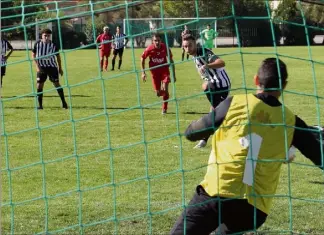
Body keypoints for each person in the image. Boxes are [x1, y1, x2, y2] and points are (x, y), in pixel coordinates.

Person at [170, 58, 324, 235]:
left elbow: (192, 133)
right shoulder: (291, 122)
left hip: (218, 192)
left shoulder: (233, 103)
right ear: (285, 85)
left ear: (256, 80)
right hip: (254, 209)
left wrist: (201, 123)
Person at [182, 34, 231, 148]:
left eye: (190, 45)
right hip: (214, 84)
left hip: (222, 85)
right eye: (185, 46)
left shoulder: (204, 52)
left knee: (214, 111)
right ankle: (204, 141)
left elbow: (221, 62)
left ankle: (206, 139)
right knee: (214, 113)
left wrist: (207, 66)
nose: (188, 48)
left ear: (195, 43)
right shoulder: (193, 55)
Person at [141, 33, 176, 115]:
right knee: (158, 93)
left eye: (158, 40)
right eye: (155, 41)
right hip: (154, 73)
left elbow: (171, 61)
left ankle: (164, 108)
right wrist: (143, 73)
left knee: (166, 87)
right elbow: (142, 58)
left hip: (164, 71)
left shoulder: (165, 48)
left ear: (161, 41)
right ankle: (163, 93)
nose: (157, 42)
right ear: (152, 41)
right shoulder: (149, 49)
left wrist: (173, 75)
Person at [32, 28, 67, 109]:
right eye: (45, 36)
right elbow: (33, 54)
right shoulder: (37, 44)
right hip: (41, 67)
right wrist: (37, 66)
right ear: (42, 35)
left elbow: (58, 57)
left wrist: (60, 68)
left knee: (57, 84)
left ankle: (64, 103)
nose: (47, 37)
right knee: (39, 86)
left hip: (52, 67)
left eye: (48, 36)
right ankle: (40, 105)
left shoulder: (53, 44)